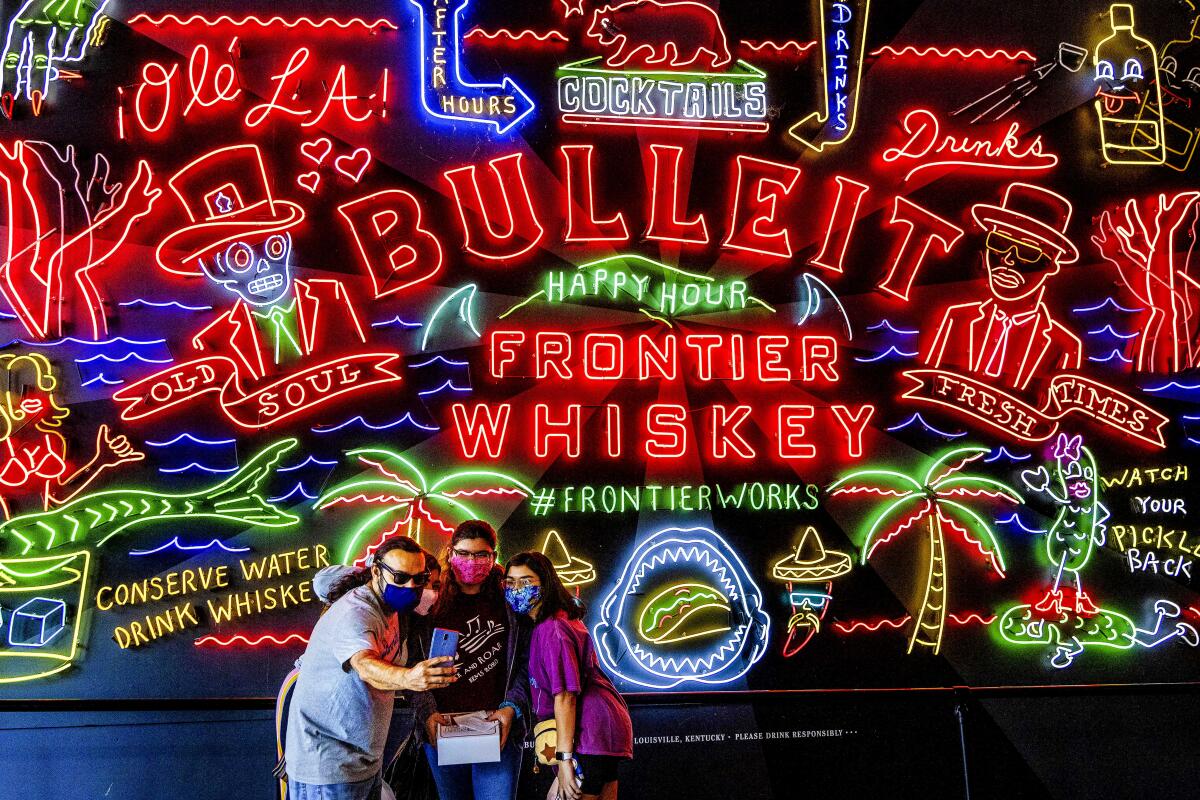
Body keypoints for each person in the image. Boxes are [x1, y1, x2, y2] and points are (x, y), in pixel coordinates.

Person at [284, 535, 457, 800]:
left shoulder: (396, 612)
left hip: (364, 762)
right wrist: (409, 678)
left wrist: (427, 708)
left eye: (418, 579)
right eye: (400, 577)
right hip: (328, 766)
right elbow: (364, 665)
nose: (410, 586)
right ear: (376, 571)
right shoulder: (356, 611)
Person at [924, 182, 1082, 397]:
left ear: (1052, 263)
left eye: (1027, 251)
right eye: (998, 242)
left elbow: (1057, 415)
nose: (1007, 259)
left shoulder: (1062, 344)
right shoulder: (957, 318)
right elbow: (925, 387)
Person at [414, 520, 531, 800]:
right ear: (451, 553)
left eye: (481, 555)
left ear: (493, 557)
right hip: (443, 727)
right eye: (464, 553)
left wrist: (511, 708)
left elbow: (528, 662)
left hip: (496, 728)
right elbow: (411, 668)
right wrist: (427, 714)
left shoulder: (510, 601)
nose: (471, 561)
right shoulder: (430, 601)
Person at [504, 551, 632, 800]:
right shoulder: (551, 622)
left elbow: (565, 697)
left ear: (546, 583)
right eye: (511, 582)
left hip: (591, 732)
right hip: (600, 730)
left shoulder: (553, 629)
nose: (517, 588)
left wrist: (564, 761)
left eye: (526, 581)